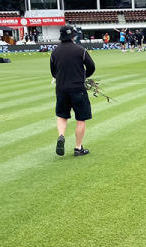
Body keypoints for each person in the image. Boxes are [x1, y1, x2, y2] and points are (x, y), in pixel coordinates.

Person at [50, 26, 95, 157]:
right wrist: (83, 76)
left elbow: (53, 72)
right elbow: (91, 67)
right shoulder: (80, 50)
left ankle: (61, 135)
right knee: (81, 118)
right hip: (77, 88)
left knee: (62, 115)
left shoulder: (55, 52)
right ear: (73, 36)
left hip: (61, 88)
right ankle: (78, 147)